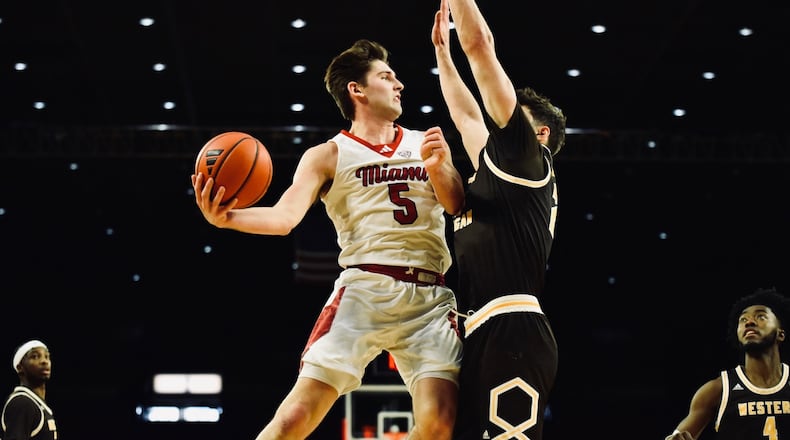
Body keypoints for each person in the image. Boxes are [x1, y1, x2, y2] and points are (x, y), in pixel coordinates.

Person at [191, 39, 465, 440]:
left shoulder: (424, 142)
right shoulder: (327, 155)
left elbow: (456, 204)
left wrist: (440, 168)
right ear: (357, 90)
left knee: (440, 425)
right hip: (364, 290)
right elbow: (283, 218)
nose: (399, 84)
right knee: (295, 418)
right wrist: (226, 218)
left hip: (429, 297)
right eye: (386, 77)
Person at [430, 0, 567, 439]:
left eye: (512, 119)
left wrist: (460, 13)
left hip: (514, 327)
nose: (497, 120)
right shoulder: (499, 167)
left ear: (538, 133)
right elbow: (466, 116)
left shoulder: (526, 158)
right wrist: (443, 56)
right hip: (482, 329)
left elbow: (480, 45)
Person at [665, 287, 790, 440]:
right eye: (743, 320)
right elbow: (677, 436)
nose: (749, 322)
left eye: (761, 317)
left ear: (780, 334)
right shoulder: (717, 389)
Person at [1, 339, 57, 440]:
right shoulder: (22, 402)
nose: (44, 361)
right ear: (20, 367)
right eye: (35, 356)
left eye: (47, 356)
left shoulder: (35, 403)